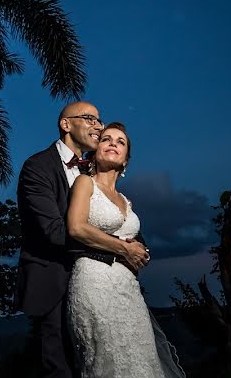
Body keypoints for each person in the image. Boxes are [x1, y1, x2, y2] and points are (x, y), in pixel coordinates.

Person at [16, 102, 149, 378]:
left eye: (99, 121)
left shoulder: (96, 170)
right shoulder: (38, 167)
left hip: (104, 286)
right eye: (90, 119)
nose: (98, 126)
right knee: (60, 367)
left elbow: (123, 226)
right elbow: (54, 231)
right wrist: (118, 249)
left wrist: (136, 247)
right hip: (54, 279)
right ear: (66, 124)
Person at [66, 122, 184, 378]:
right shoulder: (85, 184)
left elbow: (138, 245)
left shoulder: (126, 201)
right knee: (110, 361)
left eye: (120, 142)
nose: (112, 144)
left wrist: (141, 253)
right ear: (95, 151)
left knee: (142, 359)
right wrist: (124, 248)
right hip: (95, 282)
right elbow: (76, 228)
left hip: (129, 290)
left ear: (126, 161)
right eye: (106, 139)